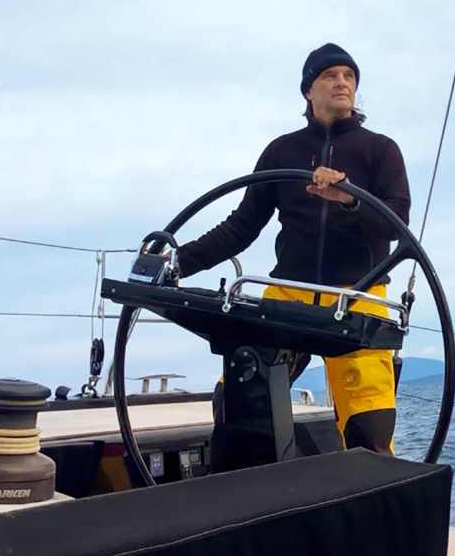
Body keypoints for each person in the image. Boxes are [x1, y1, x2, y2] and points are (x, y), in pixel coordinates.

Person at [173, 43, 411, 455]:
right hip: (289, 293)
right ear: (308, 91)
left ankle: (363, 508)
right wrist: (177, 262)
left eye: (349, 76)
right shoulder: (281, 152)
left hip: (358, 295)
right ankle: (255, 496)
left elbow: (397, 223)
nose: (342, 83)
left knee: (369, 430)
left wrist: (349, 198)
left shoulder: (381, 149)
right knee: (239, 396)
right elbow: (241, 227)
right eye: (330, 76)